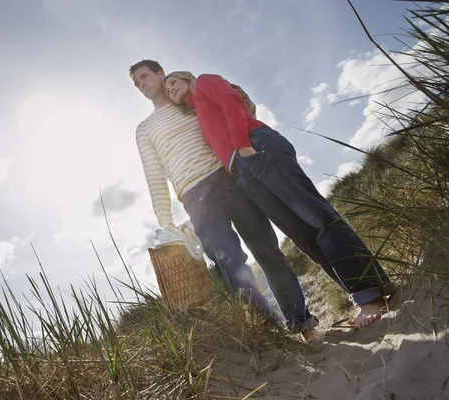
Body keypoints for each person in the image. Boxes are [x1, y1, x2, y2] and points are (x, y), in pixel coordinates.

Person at [164, 70, 397, 330]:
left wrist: (243, 146)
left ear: (187, 78)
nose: (170, 88)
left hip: (256, 147)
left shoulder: (205, 81)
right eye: (167, 89)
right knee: (304, 236)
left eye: (173, 81)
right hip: (243, 171)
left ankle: (372, 294)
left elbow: (232, 101)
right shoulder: (198, 115)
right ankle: (362, 295)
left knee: (317, 217)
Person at [130, 60, 321, 340]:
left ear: (161, 74)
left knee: (267, 251)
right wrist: (165, 221)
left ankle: (301, 323)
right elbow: (154, 174)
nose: (142, 84)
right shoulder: (144, 129)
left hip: (229, 177)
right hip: (195, 198)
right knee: (230, 266)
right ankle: (271, 334)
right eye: (136, 83)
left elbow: (231, 111)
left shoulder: (189, 102)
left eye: (145, 76)